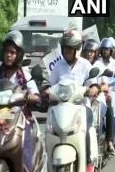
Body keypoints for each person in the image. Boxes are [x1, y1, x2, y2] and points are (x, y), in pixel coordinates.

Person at [48, 30, 100, 172]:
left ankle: (88, 164)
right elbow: (50, 84)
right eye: (65, 48)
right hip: (61, 109)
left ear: (77, 49)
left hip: (81, 108)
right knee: (50, 132)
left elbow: (93, 83)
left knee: (87, 131)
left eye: (70, 48)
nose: (67, 51)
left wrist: (93, 89)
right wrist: (45, 90)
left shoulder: (85, 65)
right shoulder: (58, 66)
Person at [0, 30, 40, 114]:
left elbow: (36, 95)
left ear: (19, 55)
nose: (8, 55)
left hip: (19, 116)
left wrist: (30, 97)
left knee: (29, 125)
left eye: (12, 52)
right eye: (7, 51)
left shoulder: (24, 75)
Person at [93, 37, 115, 155]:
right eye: (104, 49)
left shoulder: (114, 63)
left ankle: (110, 140)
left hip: (111, 90)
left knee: (112, 106)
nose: (105, 51)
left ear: (111, 51)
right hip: (99, 90)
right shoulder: (97, 63)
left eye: (108, 49)